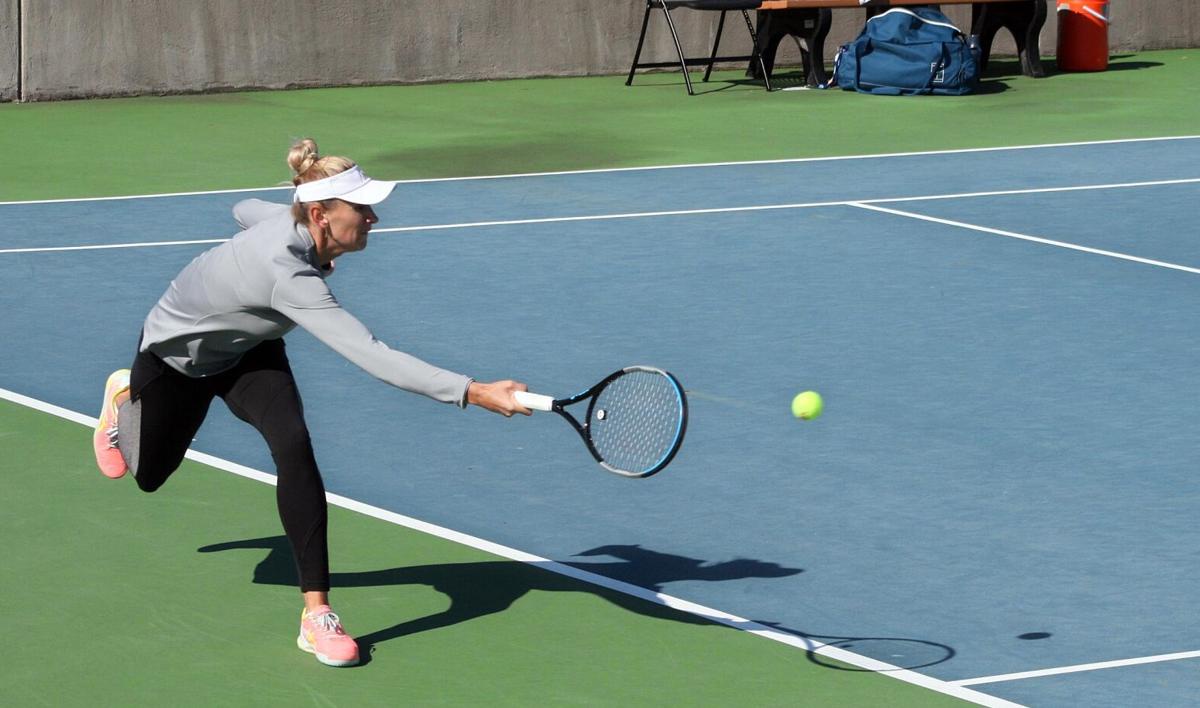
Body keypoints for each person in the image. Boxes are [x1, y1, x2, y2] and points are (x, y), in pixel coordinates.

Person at [92, 138, 530, 668]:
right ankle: (123, 397)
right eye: (362, 209)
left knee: (294, 446)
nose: (373, 219)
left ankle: (317, 614)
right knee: (148, 475)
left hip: (249, 352)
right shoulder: (290, 277)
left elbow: (243, 209)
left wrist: (297, 202)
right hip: (174, 359)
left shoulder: (292, 222)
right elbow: (374, 355)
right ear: (321, 215)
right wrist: (474, 391)